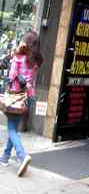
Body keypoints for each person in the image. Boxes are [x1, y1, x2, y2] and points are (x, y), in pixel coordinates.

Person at [0, 31, 43, 176]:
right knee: (14, 128)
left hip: (15, 97)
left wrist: (14, 56)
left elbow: (12, 76)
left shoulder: (18, 57)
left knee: (11, 129)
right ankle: (5, 156)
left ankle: (22, 156)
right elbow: (32, 79)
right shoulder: (37, 60)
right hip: (28, 98)